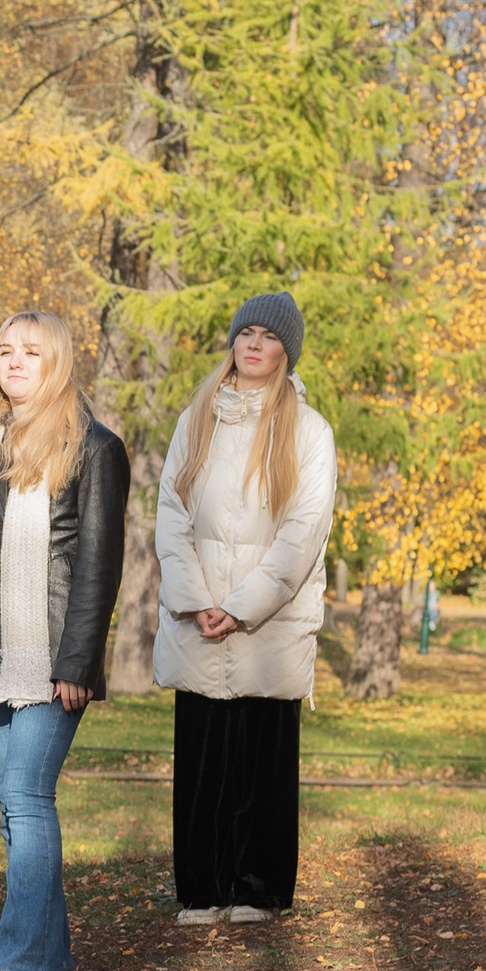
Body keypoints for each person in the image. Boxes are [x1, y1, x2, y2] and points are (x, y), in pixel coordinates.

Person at [0, 311, 127, 971]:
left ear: (58, 363)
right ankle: (50, 950)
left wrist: (77, 662)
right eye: (6, 350)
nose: (15, 361)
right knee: (17, 811)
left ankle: (22, 964)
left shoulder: (93, 448)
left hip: (49, 659)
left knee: (27, 801)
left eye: (32, 352)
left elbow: (98, 569)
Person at [154, 290, 338, 926]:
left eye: (267, 335)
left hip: (270, 621)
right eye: (245, 333)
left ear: (287, 349)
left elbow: (303, 531)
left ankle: (259, 888)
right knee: (201, 757)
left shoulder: (310, 433)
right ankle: (201, 891)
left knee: (261, 757)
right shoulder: (196, 419)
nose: (253, 344)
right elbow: (171, 514)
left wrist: (241, 605)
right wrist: (199, 600)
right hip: (197, 615)